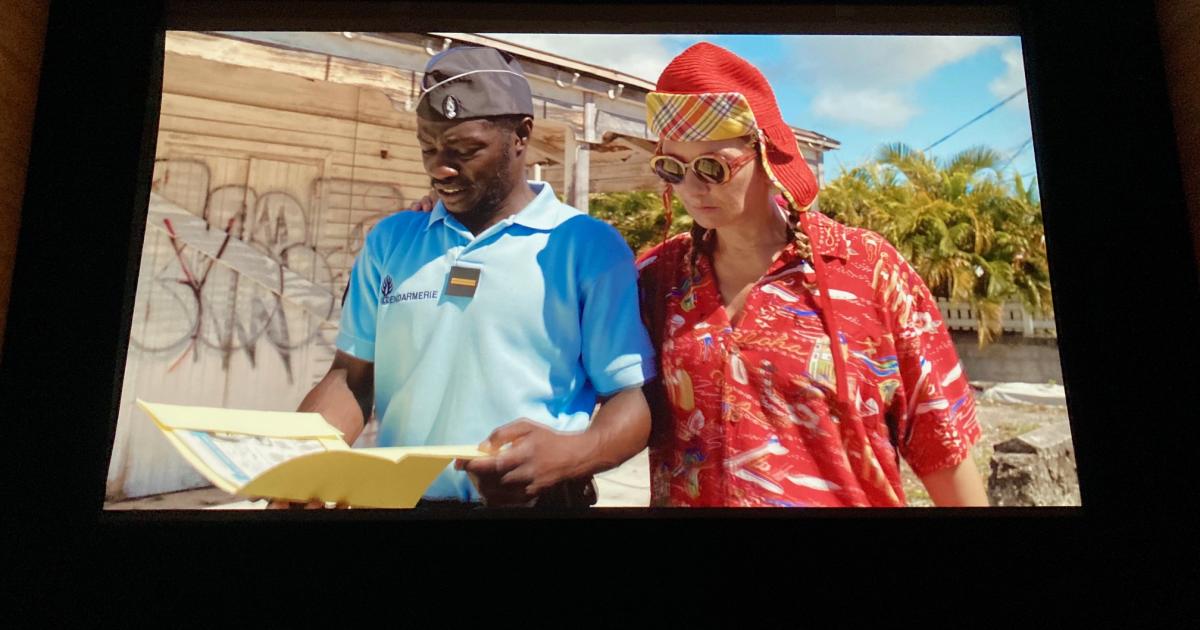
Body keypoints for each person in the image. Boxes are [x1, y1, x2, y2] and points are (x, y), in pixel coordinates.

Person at [271, 45, 655, 509]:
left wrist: (573, 454)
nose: (440, 168)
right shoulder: (391, 240)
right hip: (394, 504)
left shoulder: (585, 246)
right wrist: (300, 465)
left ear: (521, 135)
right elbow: (352, 377)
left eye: (465, 150)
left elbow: (632, 398)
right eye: (428, 148)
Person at [635, 42, 988, 507]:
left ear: (766, 154)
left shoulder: (867, 270)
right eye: (673, 168)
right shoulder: (657, 279)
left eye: (712, 166)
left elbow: (940, 445)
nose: (692, 189)